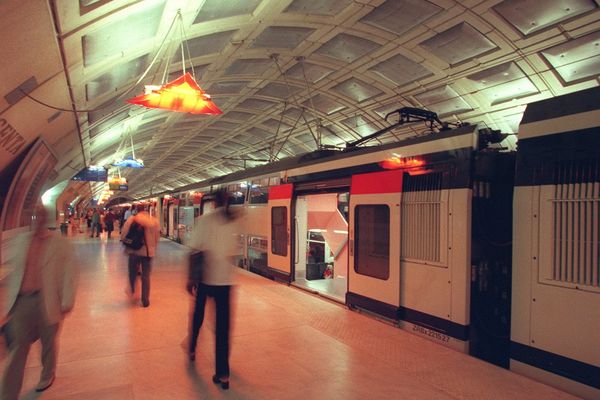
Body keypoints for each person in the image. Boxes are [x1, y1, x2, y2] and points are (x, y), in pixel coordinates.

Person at [0, 204, 77, 399]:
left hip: (48, 299)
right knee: (18, 348)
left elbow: (70, 273)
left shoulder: (60, 244)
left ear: (48, 218)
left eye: (41, 215)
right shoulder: (20, 241)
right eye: (34, 215)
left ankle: (47, 374)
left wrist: (67, 300)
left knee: (48, 341)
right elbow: (14, 272)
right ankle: (8, 393)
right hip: (22, 302)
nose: (38, 218)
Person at [187, 190, 239, 390]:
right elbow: (234, 253)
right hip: (225, 282)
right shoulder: (233, 221)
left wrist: (190, 277)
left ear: (213, 201)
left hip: (206, 279)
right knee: (223, 329)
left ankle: (192, 348)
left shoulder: (204, 220)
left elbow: (194, 251)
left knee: (198, 314)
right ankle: (223, 374)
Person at [120, 205, 159, 307]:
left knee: (132, 272)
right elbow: (156, 238)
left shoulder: (131, 219)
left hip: (133, 251)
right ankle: (145, 300)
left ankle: (132, 290)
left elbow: (123, 235)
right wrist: (152, 248)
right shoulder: (154, 221)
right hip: (147, 253)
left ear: (136, 210)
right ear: (146, 210)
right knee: (146, 276)